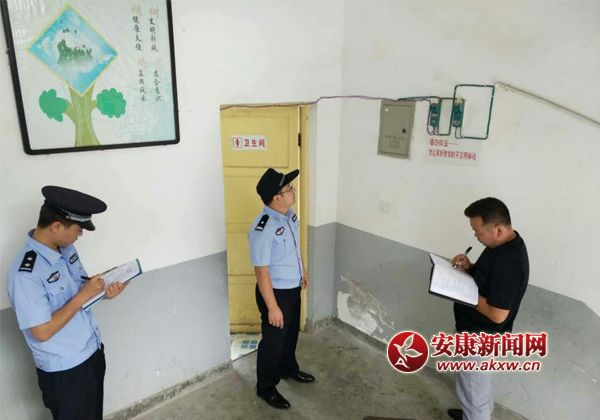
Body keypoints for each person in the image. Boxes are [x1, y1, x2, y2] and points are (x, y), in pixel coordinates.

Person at [7, 186, 127, 420]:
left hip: (91, 352)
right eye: (78, 230)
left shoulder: (65, 249)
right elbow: (41, 332)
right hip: (66, 372)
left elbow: (80, 289)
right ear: (56, 226)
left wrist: (103, 292)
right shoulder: (25, 275)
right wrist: (83, 296)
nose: (79, 236)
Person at [447, 197, 529, 420]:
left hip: (481, 339)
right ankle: (472, 414)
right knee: (477, 388)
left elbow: (497, 314)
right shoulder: (499, 245)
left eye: (478, 231)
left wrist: (465, 293)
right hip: (475, 332)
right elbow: (489, 280)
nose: (476, 236)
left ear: (498, 229)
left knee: (475, 397)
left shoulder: (509, 263)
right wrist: (470, 268)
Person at [248, 168, 315, 409]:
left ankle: (288, 368)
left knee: (290, 334)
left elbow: (295, 248)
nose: (293, 191)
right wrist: (273, 307)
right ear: (277, 198)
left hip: (293, 287)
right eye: (289, 189)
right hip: (275, 294)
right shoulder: (262, 229)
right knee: (273, 342)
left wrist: (302, 271)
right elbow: (261, 271)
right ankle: (266, 387)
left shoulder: (289, 215)